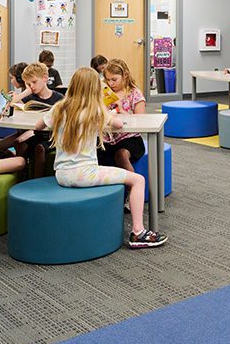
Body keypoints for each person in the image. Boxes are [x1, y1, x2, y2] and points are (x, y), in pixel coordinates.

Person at [35, 67, 167, 249]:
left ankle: (138, 231)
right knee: (138, 180)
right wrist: (111, 114)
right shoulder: (95, 111)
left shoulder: (59, 108)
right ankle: (138, 232)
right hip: (84, 175)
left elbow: (38, 125)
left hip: (61, 174)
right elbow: (119, 124)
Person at [99, 59, 146, 173]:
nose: (110, 83)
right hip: (106, 138)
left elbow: (141, 121)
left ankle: (132, 186)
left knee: (121, 156)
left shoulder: (134, 93)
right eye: (107, 80)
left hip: (130, 138)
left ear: (125, 75)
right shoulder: (104, 93)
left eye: (114, 80)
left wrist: (122, 111)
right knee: (95, 155)